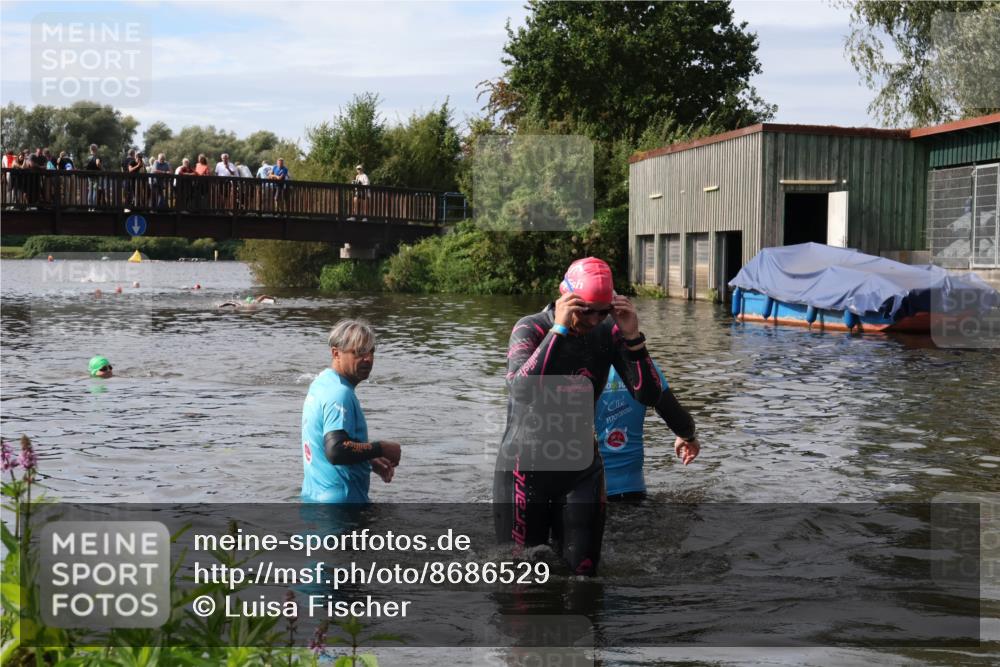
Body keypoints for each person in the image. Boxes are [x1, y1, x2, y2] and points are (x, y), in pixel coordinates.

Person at [493, 257, 662, 576]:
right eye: (586, 309)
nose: (594, 319)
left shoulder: (608, 333)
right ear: (565, 296)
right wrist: (558, 331)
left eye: (603, 311)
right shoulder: (531, 328)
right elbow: (521, 391)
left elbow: (648, 396)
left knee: (583, 579)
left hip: (581, 469)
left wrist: (633, 339)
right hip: (524, 468)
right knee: (519, 579)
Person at [301, 319, 401, 504]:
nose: (368, 358)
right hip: (342, 507)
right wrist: (381, 448)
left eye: (371, 351)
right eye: (359, 352)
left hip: (314, 499)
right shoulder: (340, 394)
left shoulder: (321, 383)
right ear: (336, 353)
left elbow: (328, 444)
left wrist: (369, 459)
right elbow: (336, 450)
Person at [596, 363, 699, 502]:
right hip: (633, 489)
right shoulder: (643, 367)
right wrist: (687, 437)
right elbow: (679, 420)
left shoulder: (577, 370)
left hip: (588, 494)